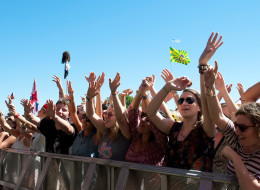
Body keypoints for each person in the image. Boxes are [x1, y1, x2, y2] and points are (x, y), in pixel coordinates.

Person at [204, 61, 260, 189]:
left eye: (243, 128)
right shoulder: (237, 141)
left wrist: (234, 156)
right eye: (236, 125)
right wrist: (210, 87)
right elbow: (217, 116)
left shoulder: (235, 149)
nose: (237, 131)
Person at [86, 72, 131, 161]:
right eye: (105, 114)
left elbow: (121, 118)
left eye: (110, 114)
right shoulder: (106, 130)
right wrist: (89, 98)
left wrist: (114, 93)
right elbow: (90, 114)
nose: (106, 116)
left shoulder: (125, 133)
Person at [125, 76, 168, 165]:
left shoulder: (160, 143)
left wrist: (145, 94)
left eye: (148, 120)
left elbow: (153, 115)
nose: (143, 119)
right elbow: (132, 112)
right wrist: (141, 91)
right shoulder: (136, 136)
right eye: (143, 116)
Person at [67, 80, 102, 157]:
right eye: (83, 117)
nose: (85, 121)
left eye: (89, 119)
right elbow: (73, 113)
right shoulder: (80, 131)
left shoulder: (96, 137)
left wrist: (98, 91)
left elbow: (98, 116)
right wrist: (71, 96)